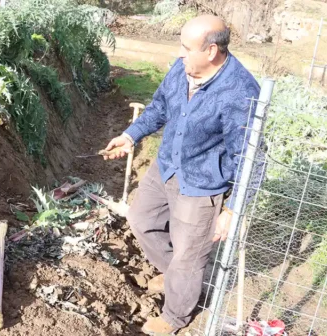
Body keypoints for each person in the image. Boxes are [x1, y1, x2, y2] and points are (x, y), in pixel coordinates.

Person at [103, 15, 262, 335]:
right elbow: (159, 107)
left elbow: (251, 156)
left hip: (202, 182)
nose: (179, 53)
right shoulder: (184, 68)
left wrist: (233, 209)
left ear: (212, 51)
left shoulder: (240, 92)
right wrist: (131, 135)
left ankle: (176, 315)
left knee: (189, 256)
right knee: (141, 219)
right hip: (167, 165)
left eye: (186, 47)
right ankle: (175, 274)